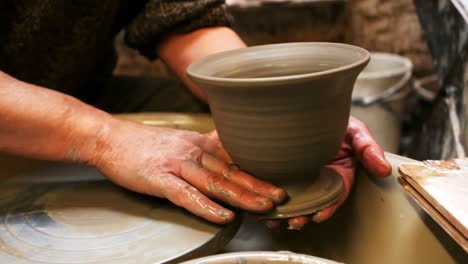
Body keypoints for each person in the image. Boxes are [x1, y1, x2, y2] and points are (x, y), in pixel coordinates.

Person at [0, 0, 391, 230]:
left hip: (84, 86)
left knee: (231, 126)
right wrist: (103, 138)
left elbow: (179, 15)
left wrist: (288, 106)